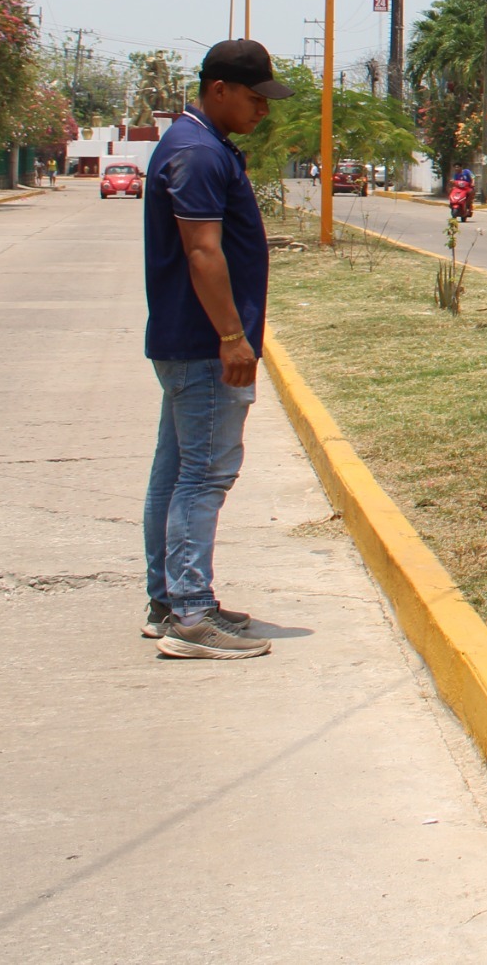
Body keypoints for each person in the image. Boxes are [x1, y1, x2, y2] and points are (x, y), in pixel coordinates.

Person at [141, 39, 294, 658]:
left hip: (188, 339)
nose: (264, 110)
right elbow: (204, 252)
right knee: (204, 475)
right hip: (206, 344)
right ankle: (190, 616)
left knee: (176, 473)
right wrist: (233, 337)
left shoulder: (198, 144)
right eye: (255, 98)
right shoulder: (198, 152)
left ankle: (171, 601)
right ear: (219, 90)